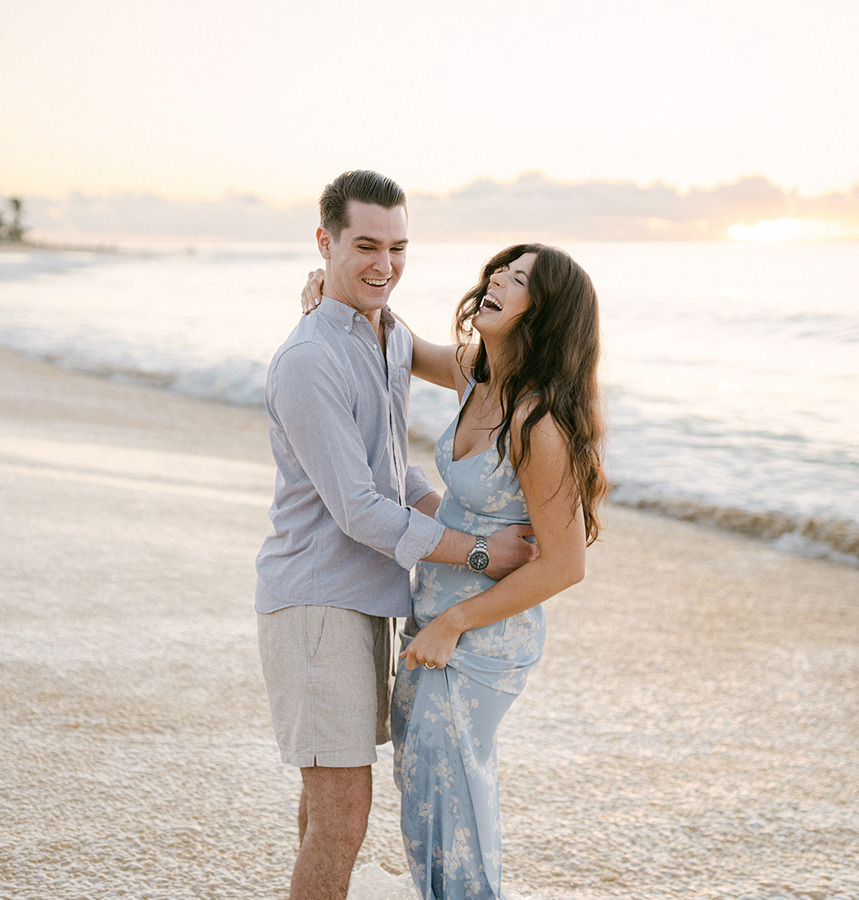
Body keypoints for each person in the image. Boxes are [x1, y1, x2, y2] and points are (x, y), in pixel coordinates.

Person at [255, 170, 538, 900]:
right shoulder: (309, 359)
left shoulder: (386, 336)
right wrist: (483, 551)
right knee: (343, 819)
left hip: (361, 598)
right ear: (326, 243)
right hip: (316, 603)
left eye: (399, 247)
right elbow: (359, 510)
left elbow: (394, 465)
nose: (385, 265)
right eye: (365, 246)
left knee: (328, 811)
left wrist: (452, 506)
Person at [301, 243, 607, 899]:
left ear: (544, 312)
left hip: (478, 642)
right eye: (501, 268)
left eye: (519, 278)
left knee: (452, 817)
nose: (497, 277)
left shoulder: (537, 422)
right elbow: (395, 343)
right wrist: (337, 298)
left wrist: (454, 624)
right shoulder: (477, 375)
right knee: (428, 806)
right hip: (434, 628)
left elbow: (565, 563)